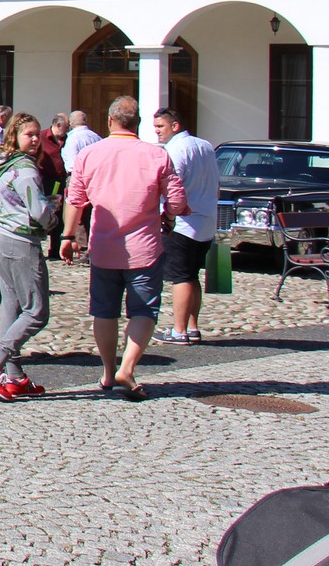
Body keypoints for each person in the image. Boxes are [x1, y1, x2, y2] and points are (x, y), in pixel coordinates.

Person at [62, 96, 187, 401]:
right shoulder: (156, 155)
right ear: (138, 124)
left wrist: (67, 236)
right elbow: (178, 201)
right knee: (144, 310)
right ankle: (127, 368)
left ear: (109, 121)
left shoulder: (90, 154)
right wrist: (168, 217)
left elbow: (75, 199)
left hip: (103, 246)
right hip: (145, 247)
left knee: (104, 312)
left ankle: (107, 371)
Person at [0, 113, 52, 400]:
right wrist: (53, 215)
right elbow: (39, 213)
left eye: (37, 134)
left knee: (11, 306)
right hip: (21, 241)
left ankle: (15, 376)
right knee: (36, 311)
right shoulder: (25, 169)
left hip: (1, 237)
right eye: (28, 135)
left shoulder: (0, 164)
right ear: (14, 137)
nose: (34, 139)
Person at [152, 107, 219, 345]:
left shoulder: (176, 149)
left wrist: (166, 213)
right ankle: (192, 327)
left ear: (175, 126)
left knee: (180, 276)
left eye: (160, 127)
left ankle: (179, 330)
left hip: (183, 221)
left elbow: (173, 185)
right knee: (192, 275)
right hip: (206, 220)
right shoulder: (205, 146)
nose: (157, 132)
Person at [37, 113, 69, 259]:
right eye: (66, 127)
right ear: (57, 125)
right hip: (46, 181)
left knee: (59, 215)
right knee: (43, 212)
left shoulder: (68, 139)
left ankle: (55, 249)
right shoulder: (42, 137)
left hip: (62, 181)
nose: (67, 131)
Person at [61, 109, 100, 178]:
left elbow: (72, 166)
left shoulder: (72, 139)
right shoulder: (97, 137)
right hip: (96, 177)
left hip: (78, 179)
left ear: (71, 123)